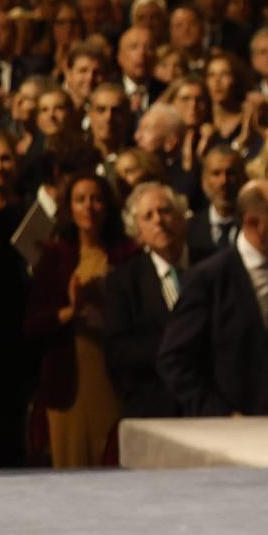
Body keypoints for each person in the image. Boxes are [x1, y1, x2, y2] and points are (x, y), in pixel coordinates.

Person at [158, 179, 268, 416]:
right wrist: (220, 414)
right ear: (253, 222)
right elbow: (174, 360)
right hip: (237, 428)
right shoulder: (210, 278)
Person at [25, 171, 137, 467]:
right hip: (66, 381)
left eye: (96, 199)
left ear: (108, 206)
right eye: (80, 199)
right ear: (69, 208)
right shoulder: (54, 256)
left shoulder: (128, 255)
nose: (89, 206)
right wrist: (70, 312)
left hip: (113, 377)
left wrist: (103, 302)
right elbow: (32, 323)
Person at [101, 180, 193, 420]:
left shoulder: (213, 266)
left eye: (164, 211)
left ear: (181, 216)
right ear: (137, 232)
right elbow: (117, 350)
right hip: (154, 407)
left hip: (211, 408)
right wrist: (176, 347)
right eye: (148, 216)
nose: (159, 221)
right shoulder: (123, 281)